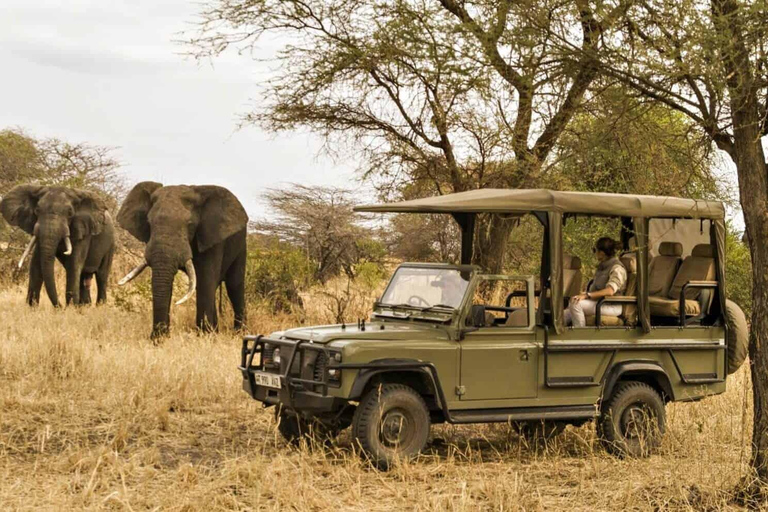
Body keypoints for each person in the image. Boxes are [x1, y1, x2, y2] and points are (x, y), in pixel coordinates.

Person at [564, 237, 627, 327]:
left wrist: (587, 295)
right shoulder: (602, 267)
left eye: (595, 250)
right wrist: (584, 294)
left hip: (611, 305)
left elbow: (610, 291)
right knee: (565, 314)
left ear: (601, 252)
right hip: (599, 302)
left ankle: (580, 335)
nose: (594, 253)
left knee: (576, 304)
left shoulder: (617, 268)